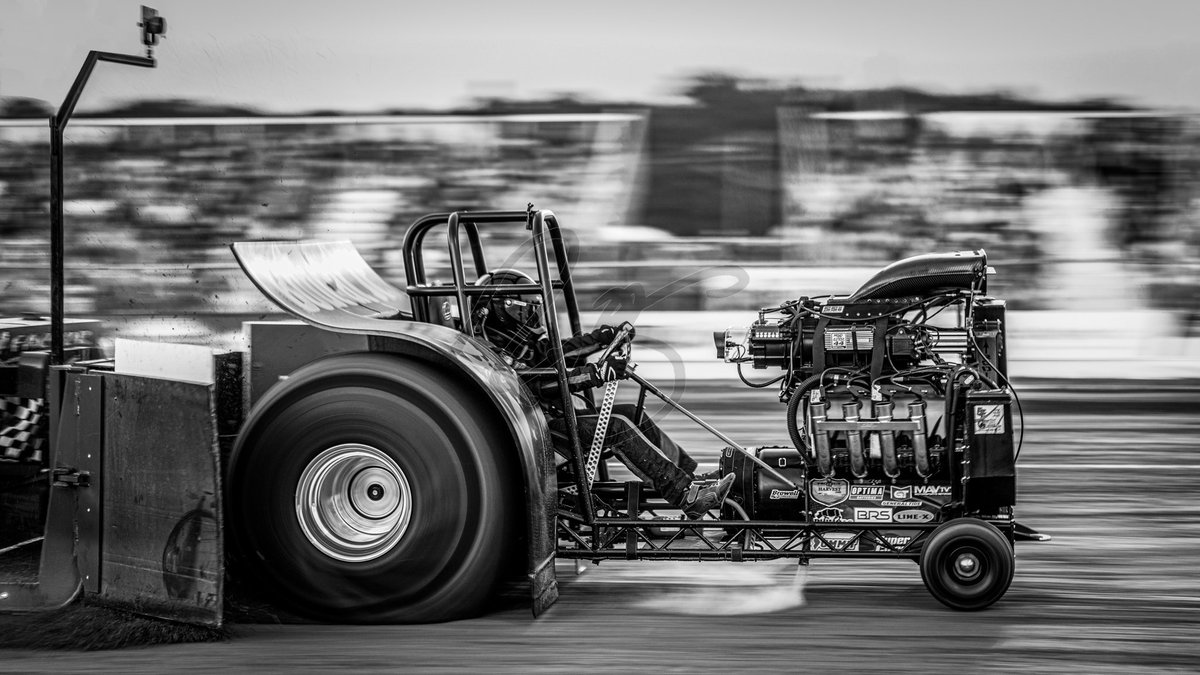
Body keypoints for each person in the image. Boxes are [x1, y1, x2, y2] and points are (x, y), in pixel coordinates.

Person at [472, 269, 733, 517]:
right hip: (533, 433)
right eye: (526, 311)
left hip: (543, 422)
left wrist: (602, 338)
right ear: (501, 312)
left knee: (631, 412)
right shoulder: (490, 352)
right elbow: (537, 385)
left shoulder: (520, 346)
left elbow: (556, 354)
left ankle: (689, 478)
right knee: (616, 427)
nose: (531, 318)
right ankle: (686, 496)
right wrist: (596, 373)